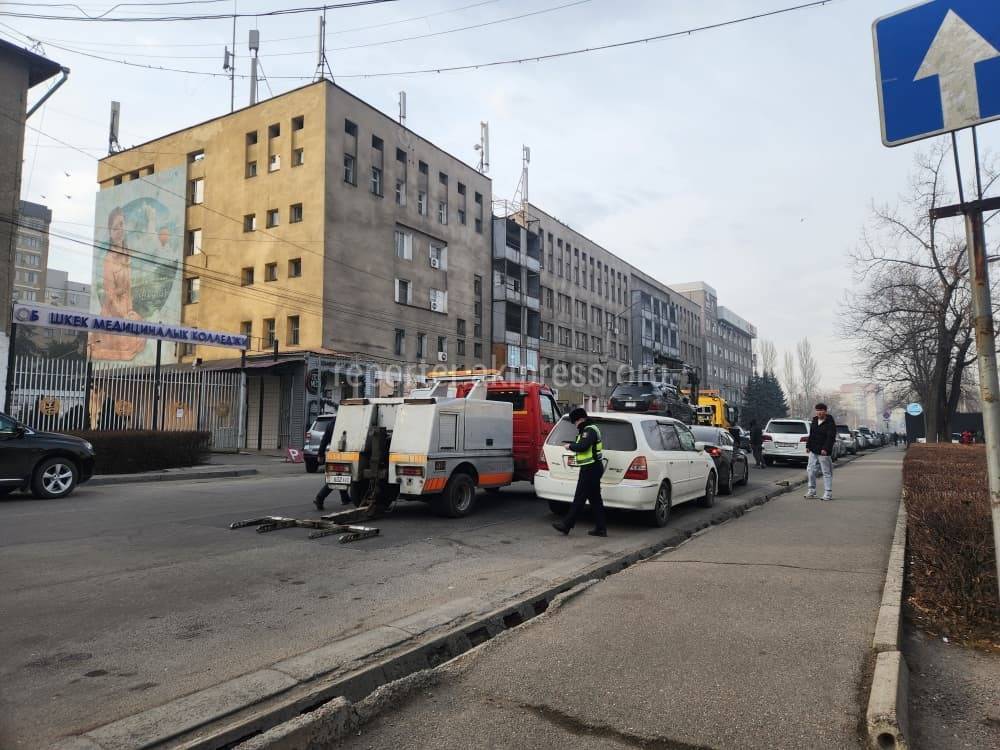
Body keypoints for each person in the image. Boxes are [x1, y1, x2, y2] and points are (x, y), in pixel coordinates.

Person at [552, 407, 607, 537]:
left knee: (579, 498)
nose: (575, 425)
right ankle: (601, 528)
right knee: (595, 500)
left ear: (581, 419)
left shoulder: (589, 430)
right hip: (591, 468)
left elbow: (583, 446)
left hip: (591, 469)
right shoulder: (588, 429)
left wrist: (570, 446)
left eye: (575, 422)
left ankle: (566, 525)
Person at [313, 417, 350, 510]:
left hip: (333, 453)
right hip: (344, 453)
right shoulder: (345, 422)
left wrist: (320, 454)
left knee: (340, 476)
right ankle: (320, 497)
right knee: (337, 478)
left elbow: (324, 440)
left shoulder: (331, 423)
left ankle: (345, 498)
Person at [805, 403, 837, 500]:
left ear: (825, 411)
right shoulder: (814, 420)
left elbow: (830, 437)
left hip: (824, 451)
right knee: (810, 470)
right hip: (813, 450)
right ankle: (812, 491)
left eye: (821, 410)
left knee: (826, 472)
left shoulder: (830, 422)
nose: (819, 412)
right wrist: (808, 446)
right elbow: (811, 434)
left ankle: (828, 493)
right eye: (817, 410)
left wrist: (825, 448)